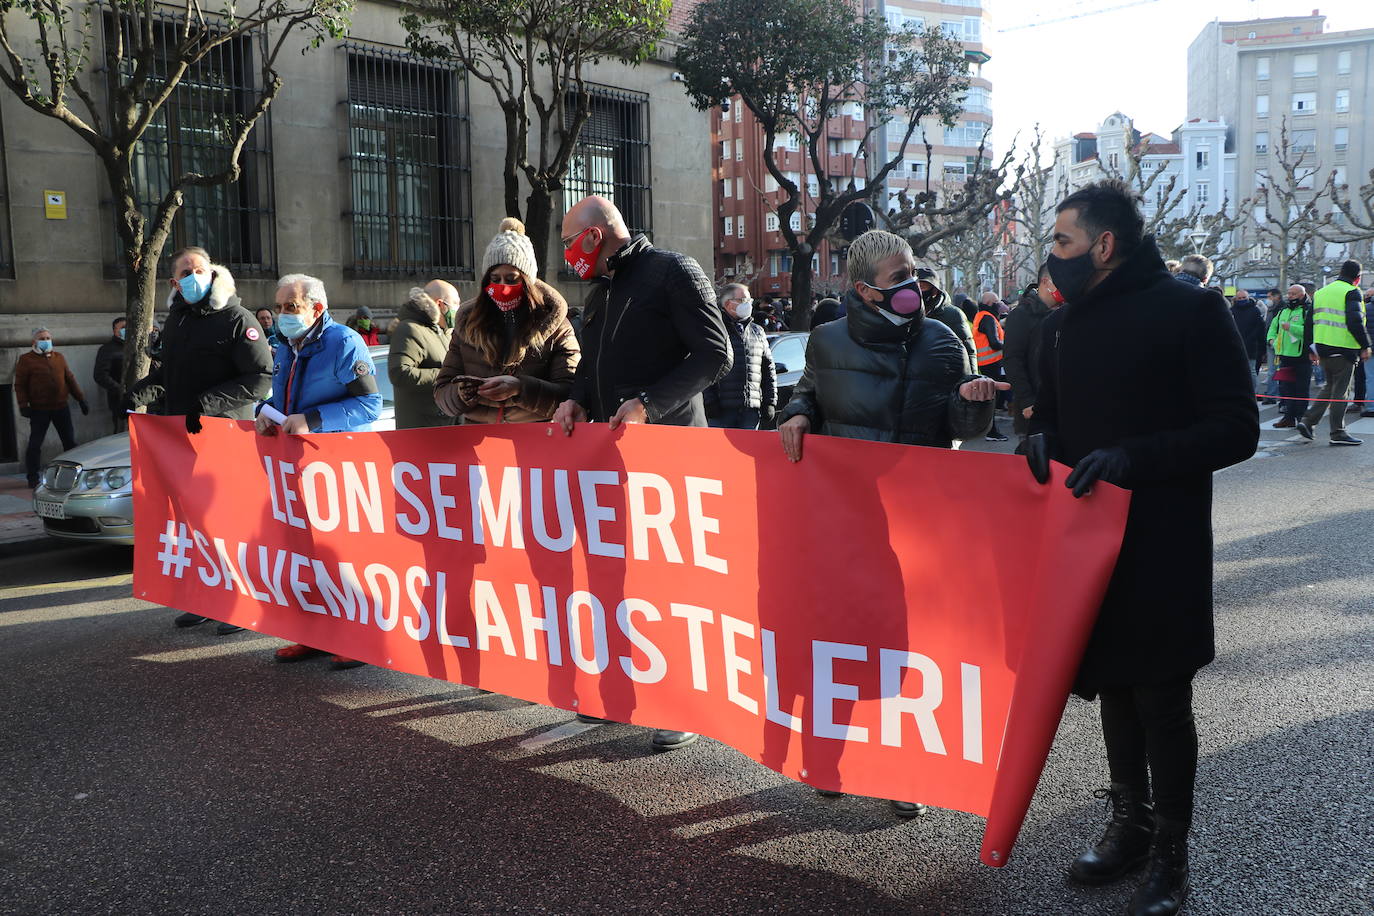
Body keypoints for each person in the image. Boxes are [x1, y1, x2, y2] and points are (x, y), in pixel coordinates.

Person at [1025, 180, 1258, 916]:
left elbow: (1236, 428)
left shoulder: (1192, 309)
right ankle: (1127, 822)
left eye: (1061, 242)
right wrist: (1043, 443)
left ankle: (1171, 853)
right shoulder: (1064, 327)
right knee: (1113, 687)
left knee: (1161, 694)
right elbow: (1062, 424)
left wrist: (1137, 458)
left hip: (1162, 538)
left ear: (1104, 245)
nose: (1051, 256)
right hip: (1085, 541)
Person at [779, 230, 1003, 814]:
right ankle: (826, 757)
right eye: (898, 277)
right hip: (845, 524)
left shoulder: (944, 339)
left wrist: (975, 403)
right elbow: (808, 392)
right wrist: (799, 413)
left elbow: (963, 428)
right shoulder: (827, 341)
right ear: (865, 290)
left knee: (903, 649)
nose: (913, 285)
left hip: (915, 525)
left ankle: (903, 771)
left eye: (914, 272)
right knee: (837, 640)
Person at [553, 194, 730, 751]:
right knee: (613, 579)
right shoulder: (601, 292)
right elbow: (593, 363)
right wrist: (577, 400)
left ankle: (680, 703)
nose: (565, 253)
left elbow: (714, 354)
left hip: (669, 461)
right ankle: (619, 692)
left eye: (567, 241)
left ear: (596, 234)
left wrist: (650, 404)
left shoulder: (673, 271)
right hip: (612, 462)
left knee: (670, 585)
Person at [126, 247, 273, 633]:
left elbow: (260, 377)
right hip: (183, 439)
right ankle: (206, 598)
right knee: (194, 523)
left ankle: (242, 602)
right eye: (186, 272)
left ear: (213, 273)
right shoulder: (178, 321)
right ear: (175, 283)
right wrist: (140, 392)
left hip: (224, 437)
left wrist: (205, 404)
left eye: (200, 269)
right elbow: (170, 376)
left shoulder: (237, 319)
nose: (194, 276)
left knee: (229, 523)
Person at [257, 273, 382, 668]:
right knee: (304, 553)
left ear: (317, 308)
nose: (282, 315)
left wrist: (312, 418)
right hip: (298, 467)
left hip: (337, 466)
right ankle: (313, 634)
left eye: (290, 307)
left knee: (343, 556)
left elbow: (370, 405)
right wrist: (263, 412)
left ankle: (358, 639)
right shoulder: (283, 346)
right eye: (278, 307)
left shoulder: (343, 342)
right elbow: (280, 398)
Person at [434, 219, 580, 424]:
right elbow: (442, 391)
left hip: (534, 442)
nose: (502, 287)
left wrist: (520, 388)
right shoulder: (467, 325)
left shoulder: (557, 327)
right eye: (495, 279)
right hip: (478, 443)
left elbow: (571, 395)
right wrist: (460, 394)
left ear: (529, 282)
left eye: (511, 279)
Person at [1296, 259, 1371, 445]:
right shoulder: (1352, 292)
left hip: (1323, 348)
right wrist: (1365, 345)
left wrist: (1310, 348)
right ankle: (1338, 432)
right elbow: (1354, 321)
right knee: (1341, 392)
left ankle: (1308, 421)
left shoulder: (1321, 292)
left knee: (1329, 387)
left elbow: (1308, 323)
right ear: (1357, 278)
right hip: (1344, 349)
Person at [15, 327, 87, 488]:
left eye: (48, 338)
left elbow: (70, 378)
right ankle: (32, 477)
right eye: (42, 338)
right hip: (39, 409)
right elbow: (20, 385)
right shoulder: (26, 360)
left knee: (69, 442)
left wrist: (81, 399)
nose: (46, 341)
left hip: (61, 407)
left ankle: (74, 475)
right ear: (34, 341)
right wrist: (23, 405)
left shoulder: (58, 357)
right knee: (35, 445)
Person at [1002, 264, 1060, 452]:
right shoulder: (1021, 315)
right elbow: (1013, 360)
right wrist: (1027, 400)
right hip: (1032, 408)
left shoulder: (1063, 313)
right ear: (1045, 282)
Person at [704, 283, 777, 429]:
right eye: (743, 300)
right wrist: (709, 401)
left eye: (749, 301)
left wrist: (770, 402)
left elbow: (768, 368)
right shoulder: (714, 330)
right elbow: (704, 367)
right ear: (728, 304)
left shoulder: (757, 331)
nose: (748, 305)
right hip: (721, 411)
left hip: (750, 411)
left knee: (748, 450)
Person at [388, 282, 454, 429]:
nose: (458, 309)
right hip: (423, 431)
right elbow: (399, 373)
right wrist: (448, 375)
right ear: (440, 304)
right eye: (456, 303)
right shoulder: (410, 329)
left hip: (445, 427)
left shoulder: (441, 333)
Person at [1266, 284, 1313, 429]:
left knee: (1301, 389)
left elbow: (1310, 331)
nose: (1289, 296)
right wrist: (1271, 340)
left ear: (1301, 295)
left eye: (1293, 294)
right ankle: (1288, 417)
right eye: (1289, 293)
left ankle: (1301, 419)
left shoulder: (1307, 311)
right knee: (1287, 388)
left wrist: (1292, 327)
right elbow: (1273, 328)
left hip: (1302, 357)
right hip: (1284, 356)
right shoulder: (1283, 311)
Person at [915, 267, 976, 362]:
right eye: (915, 286)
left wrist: (972, 376)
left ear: (934, 290)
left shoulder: (953, 314)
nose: (917, 291)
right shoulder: (908, 313)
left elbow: (969, 350)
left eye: (922, 287)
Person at [971, 295, 1010, 441]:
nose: (999, 305)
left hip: (985, 364)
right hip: (992, 363)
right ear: (989, 303)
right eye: (997, 302)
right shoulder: (988, 318)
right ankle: (991, 432)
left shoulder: (981, 316)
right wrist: (1009, 345)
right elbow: (994, 343)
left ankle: (988, 430)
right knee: (992, 398)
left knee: (988, 397)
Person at [93, 317, 127, 434]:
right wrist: (119, 389)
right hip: (119, 400)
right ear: (115, 331)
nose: (126, 330)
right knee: (121, 432)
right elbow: (100, 375)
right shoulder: (107, 349)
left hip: (137, 396)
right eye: (123, 327)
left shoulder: (133, 345)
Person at [1229, 289, 1267, 393]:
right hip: (1235, 345)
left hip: (1251, 345)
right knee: (1235, 371)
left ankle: (1254, 392)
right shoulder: (1231, 311)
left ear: (1248, 297)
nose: (1241, 300)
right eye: (1239, 298)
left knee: (1251, 371)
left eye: (1244, 298)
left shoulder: (1255, 310)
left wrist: (1262, 347)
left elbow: (1260, 329)